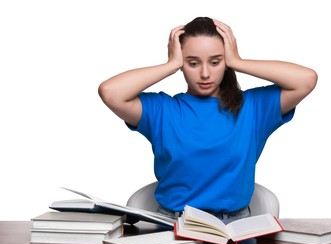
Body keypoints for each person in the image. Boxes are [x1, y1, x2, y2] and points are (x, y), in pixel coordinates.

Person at [98, 17, 317, 221]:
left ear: (226, 63)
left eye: (215, 62)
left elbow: (306, 79)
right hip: (171, 224)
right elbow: (110, 92)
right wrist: (170, 65)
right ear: (182, 63)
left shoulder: (252, 108)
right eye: (192, 63)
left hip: (234, 226)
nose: (204, 74)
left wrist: (238, 62)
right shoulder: (162, 110)